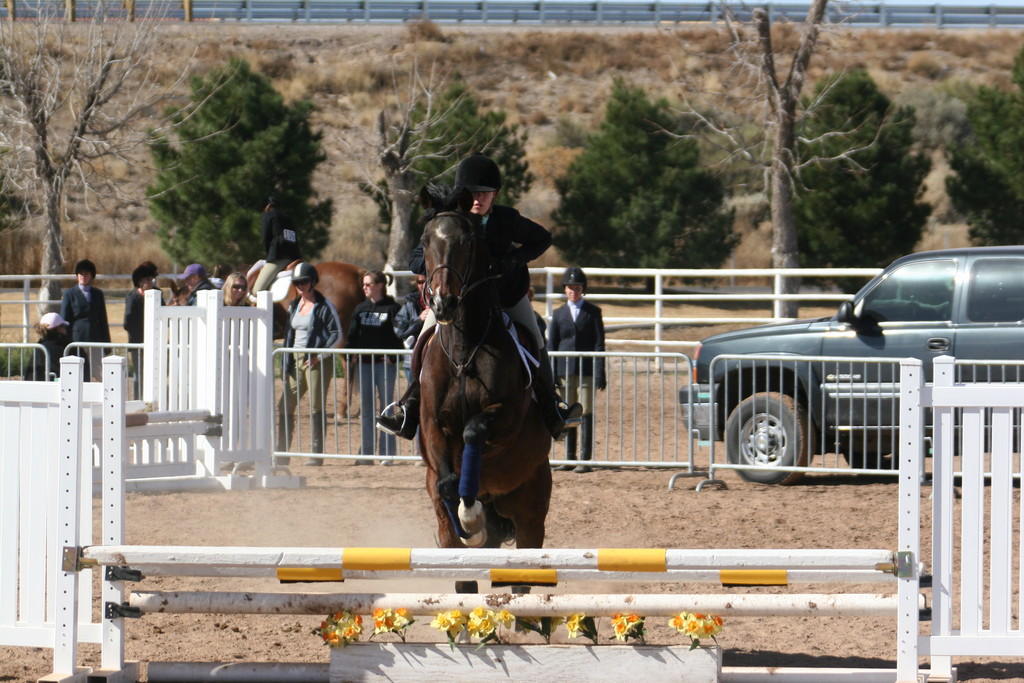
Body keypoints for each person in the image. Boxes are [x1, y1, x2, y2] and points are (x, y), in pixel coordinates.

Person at [376, 152, 582, 441]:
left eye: (485, 193)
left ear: (495, 194)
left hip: (506, 295)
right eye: (472, 193)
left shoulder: (507, 219)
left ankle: (552, 406)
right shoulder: (447, 222)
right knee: (424, 339)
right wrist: (443, 262)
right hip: (458, 301)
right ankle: (409, 406)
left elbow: (543, 238)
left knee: (534, 338)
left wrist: (510, 261)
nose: (478, 199)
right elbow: (415, 261)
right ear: (462, 194)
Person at [276, 263, 342, 467]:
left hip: (315, 362)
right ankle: (281, 452)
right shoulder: (294, 306)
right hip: (295, 359)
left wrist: (319, 355)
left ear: (313, 282)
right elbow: (289, 334)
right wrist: (286, 360)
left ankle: (316, 453)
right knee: (284, 404)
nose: (300, 285)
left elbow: (336, 334)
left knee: (316, 406)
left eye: (304, 282)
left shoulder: (324, 306)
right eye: (297, 283)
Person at [548, 267, 606, 473]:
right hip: (565, 370)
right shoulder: (558, 314)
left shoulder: (593, 312)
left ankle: (585, 458)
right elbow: (552, 345)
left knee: (586, 411)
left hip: (586, 370)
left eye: (578, 287)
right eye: (570, 287)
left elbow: (599, 344)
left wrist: (600, 372)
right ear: (565, 289)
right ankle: (569, 457)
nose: (574, 291)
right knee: (569, 412)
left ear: (583, 289)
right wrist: (552, 372)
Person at [347, 270, 403, 464]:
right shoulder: (360, 308)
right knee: (367, 410)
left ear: (380, 285)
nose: (364, 288)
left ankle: (387, 454)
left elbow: (400, 334)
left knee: (386, 409)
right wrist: (350, 354)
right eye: (364, 284)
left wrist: (394, 357)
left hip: (383, 365)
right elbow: (352, 335)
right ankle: (367, 453)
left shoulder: (393, 308)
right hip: (364, 365)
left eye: (368, 284)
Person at [60, 258, 110, 380]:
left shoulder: (98, 294)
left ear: (91, 276)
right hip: (77, 338)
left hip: (95, 337)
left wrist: (107, 343)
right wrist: (64, 340)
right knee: (78, 374)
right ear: (77, 276)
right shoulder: (69, 294)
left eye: (86, 274)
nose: (83, 276)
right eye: (80, 273)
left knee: (100, 373)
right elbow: (65, 319)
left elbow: (103, 319)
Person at [253, 196, 301, 293]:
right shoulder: (289, 219)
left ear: (264, 208)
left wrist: (269, 257)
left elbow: (266, 238)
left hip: (279, 257)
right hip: (295, 257)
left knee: (257, 290)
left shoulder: (267, 215)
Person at [124, 262, 158, 396]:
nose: (151, 282)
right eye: (148, 280)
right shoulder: (133, 297)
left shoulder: (157, 293)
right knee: (139, 374)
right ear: (140, 282)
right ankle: (138, 399)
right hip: (138, 342)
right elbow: (127, 322)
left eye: (152, 279)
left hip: (154, 342)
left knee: (154, 373)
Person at [393, 274, 428, 383]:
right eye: (420, 281)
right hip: (413, 359)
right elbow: (399, 330)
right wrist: (418, 320)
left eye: (426, 281)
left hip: (438, 359)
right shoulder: (410, 303)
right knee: (413, 396)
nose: (423, 285)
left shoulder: (443, 302)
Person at [27, 312, 71, 381]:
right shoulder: (70, 347)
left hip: (42, 389)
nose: (65, 329)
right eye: (63, 326)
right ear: (59, 328)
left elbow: (30, 377)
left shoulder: (39, 348)